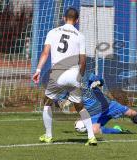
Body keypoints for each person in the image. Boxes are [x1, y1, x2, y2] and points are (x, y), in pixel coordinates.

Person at [32, 7, 97, 146]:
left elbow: (45, 53)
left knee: (47, 103)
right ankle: (91, 137)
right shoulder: (80, 35)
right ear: (77, 20)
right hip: (73, 74)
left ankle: (48, 136)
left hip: (57, 74)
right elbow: (83, 61)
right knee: (80, 106)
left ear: (63, 18)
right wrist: (80, 77)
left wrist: (38, 70)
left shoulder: (53, 32)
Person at [58, 73, 137, 135]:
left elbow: (101, 81)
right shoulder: (69, 89)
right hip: (94, 114)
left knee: (133, 114)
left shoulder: (88, 77)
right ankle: (119, 131)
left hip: (109, 105)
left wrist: (98, 82)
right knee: (95, 130)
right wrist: (62, 103)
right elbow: (59, 101)